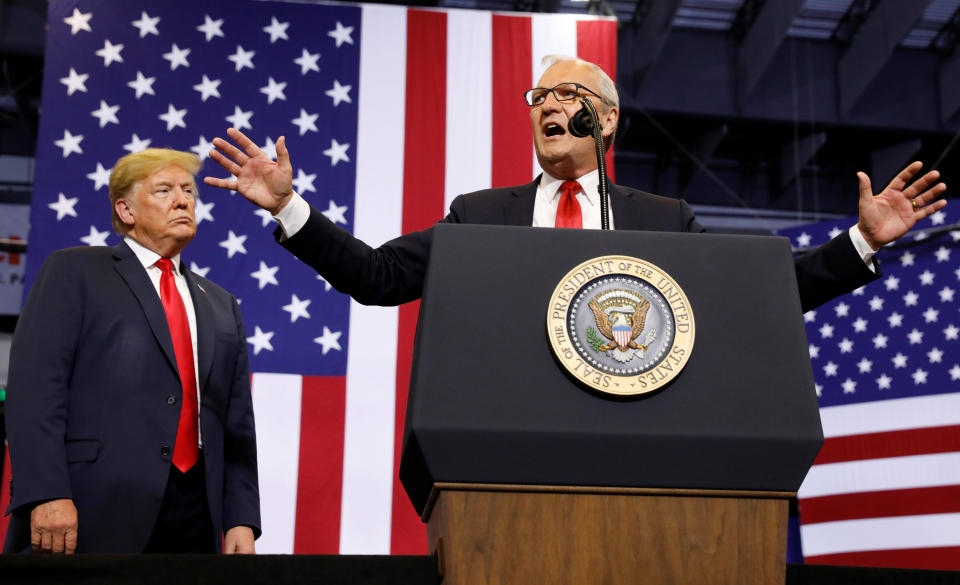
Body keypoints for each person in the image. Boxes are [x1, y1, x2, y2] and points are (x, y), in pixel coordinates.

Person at [203, 57, 947, 312]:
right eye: (540, 99)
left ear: (609, 120)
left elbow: (754, 293)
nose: (550, 107)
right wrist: (290, 207)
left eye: (569, 96)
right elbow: (376, 277)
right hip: (501, 436)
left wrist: (858, 243)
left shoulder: (664, 218)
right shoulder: (482, 215)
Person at [3, 149, 260, 554]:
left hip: (196, 518)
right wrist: (46, 492)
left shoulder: (221, 303)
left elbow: (237, 425)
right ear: (125, 209)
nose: (182, 200)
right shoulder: (75, 271)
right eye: (164, 190)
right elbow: (34, 392)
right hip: (88, 508)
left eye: (189, 191)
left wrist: (241, 518)